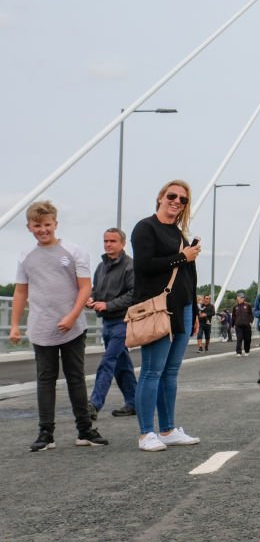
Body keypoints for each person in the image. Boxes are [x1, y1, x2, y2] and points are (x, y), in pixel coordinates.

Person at [11, 201, 108, 451]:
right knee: (46, 379)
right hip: (41, 328)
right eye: (37, 226)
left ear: (55, 224)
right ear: (29, 227)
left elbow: (85, 286)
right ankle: (46, 434)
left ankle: (85, 430)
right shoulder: (25, 256)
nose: (42, 230)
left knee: (75, 378)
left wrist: (72, 316)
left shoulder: (73, 251)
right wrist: (14, 325)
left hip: (72, 327)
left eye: (47, 225)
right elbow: (21, 291)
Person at [131, 180, 202, 451]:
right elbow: (144, 266)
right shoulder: (145, 228)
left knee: (171, 371)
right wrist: (182, 257)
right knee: (152, 371)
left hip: (182, 308)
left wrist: (194, 311)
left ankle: (168, 429)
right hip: (157, 308)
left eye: (182, 200)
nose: (176, 202)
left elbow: (189, 277)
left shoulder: (179, 234)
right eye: (172, 196)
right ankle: (145, 433)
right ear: (160, 197)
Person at [86, 227, 138, 418]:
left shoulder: (130, 266)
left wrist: (108, 305)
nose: (108, 244)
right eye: (106, 241)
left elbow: (134, 294)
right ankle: (134, 402)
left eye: (112, 241)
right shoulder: (102, 267)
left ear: (123, 244)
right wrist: (91, 298)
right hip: (107, 323)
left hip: (123, 321)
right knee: (121, 365)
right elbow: (95, 289)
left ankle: (94, 403)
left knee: (108, 361)